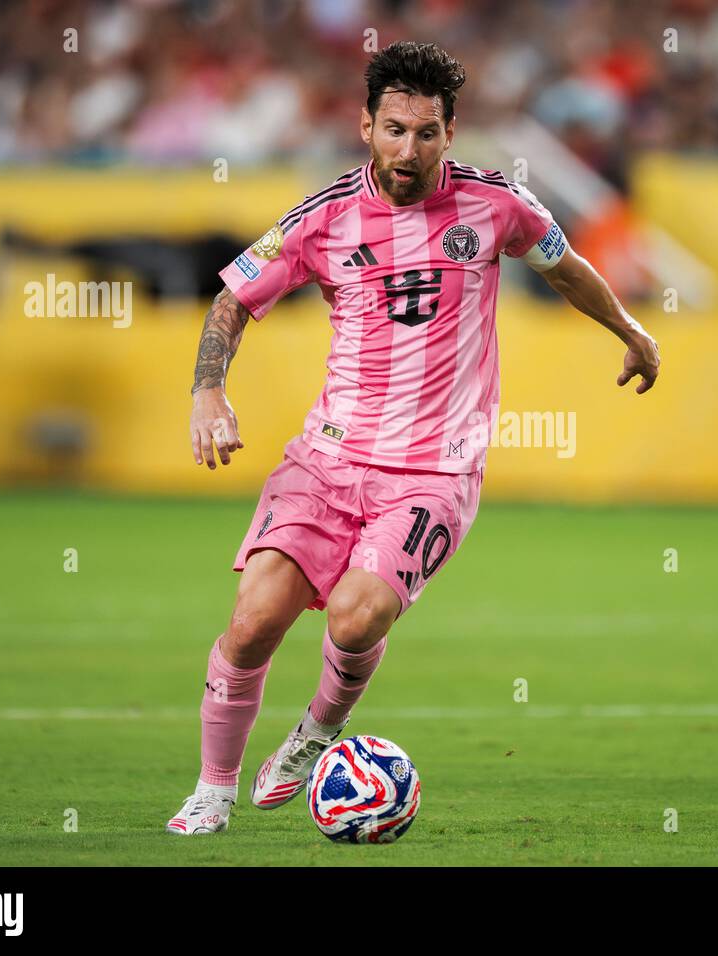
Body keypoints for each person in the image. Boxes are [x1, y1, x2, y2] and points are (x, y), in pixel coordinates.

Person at [166, 41, 661, 835]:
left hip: (436, 472)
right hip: (326, 460)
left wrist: (629, 331)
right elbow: (231, 301)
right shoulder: (322, 218)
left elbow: (565, 266)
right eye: (394, 130)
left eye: (425, 133)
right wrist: (207, 390)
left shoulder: (496, 204)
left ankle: (315, 733)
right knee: (255, 619)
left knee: (356, 618)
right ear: (365, 126)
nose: (409, 149)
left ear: (449, 134)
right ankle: (213, 791)